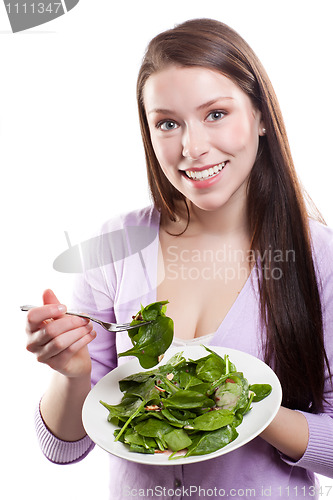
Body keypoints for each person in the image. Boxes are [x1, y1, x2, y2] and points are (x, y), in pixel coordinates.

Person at [25, 18, 333, 499]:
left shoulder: (319, 257)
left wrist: (247, 405)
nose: (192, 148)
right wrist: (74, 373)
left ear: (261, 116)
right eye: (168, 123)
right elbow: (64, 448)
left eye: (216, 114)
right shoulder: (115, 245)